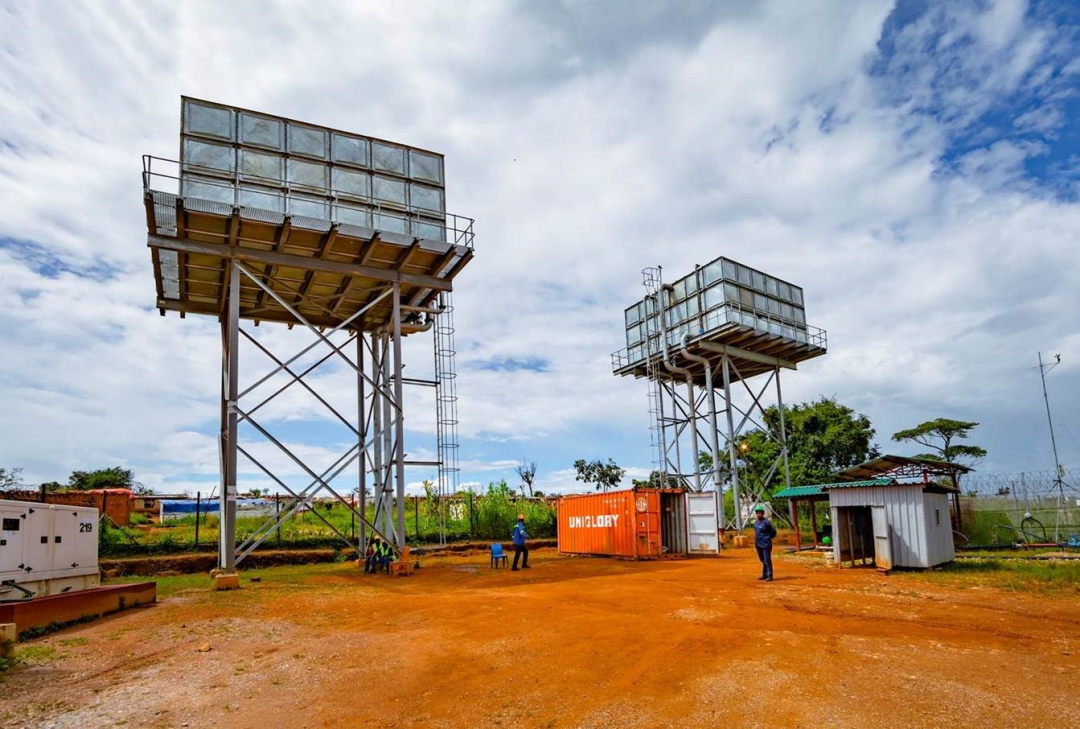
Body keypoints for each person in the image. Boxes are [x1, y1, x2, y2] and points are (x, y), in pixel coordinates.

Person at [753, 504, 777, 581]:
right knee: (762, 560)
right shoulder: (756, 523)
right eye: (757, 513)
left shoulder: (767, 523)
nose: (759, 514)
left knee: (767, 560)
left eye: (760, 513)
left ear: (763, 513)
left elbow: (773, 532)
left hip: (766, 545)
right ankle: (764, 575)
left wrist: (768, 538)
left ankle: (770, 575)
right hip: (758, 544)